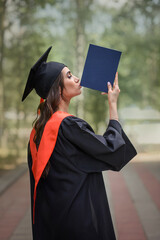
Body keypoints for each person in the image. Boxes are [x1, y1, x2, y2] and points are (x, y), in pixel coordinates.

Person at [22, 46, 137, 240]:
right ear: (57, 89)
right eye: (69, 76)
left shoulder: (38, 131)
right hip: (78, 218)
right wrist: (113, 104)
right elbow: (111, 150)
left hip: (53, 220)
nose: (76, 78)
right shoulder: (67, 125)